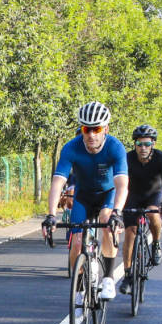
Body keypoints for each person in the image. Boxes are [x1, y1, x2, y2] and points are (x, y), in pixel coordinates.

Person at [42, 101, 128, 301]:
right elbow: (58, 182)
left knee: (107, 220)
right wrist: (51, 215)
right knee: (77, 242)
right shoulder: (71, 147)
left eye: (96, 129)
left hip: (108, 193)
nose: (91, 135)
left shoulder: (115, 147)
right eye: (86, 129)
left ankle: (107, 278)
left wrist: (118, 212)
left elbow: (122, 184)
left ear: (105, 129)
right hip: (83, 195)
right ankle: (80, 287)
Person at [119, 124, 162, 294]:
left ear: (153, 144)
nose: (143, 148)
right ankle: (128, 275)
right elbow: (118, 181)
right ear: (134, 144)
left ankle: (156, 243)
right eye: (140, 144)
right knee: (130, 233)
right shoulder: (127, 159)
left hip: (153, 195)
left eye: (147, 144)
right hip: (132, 196)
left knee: (153, 214)